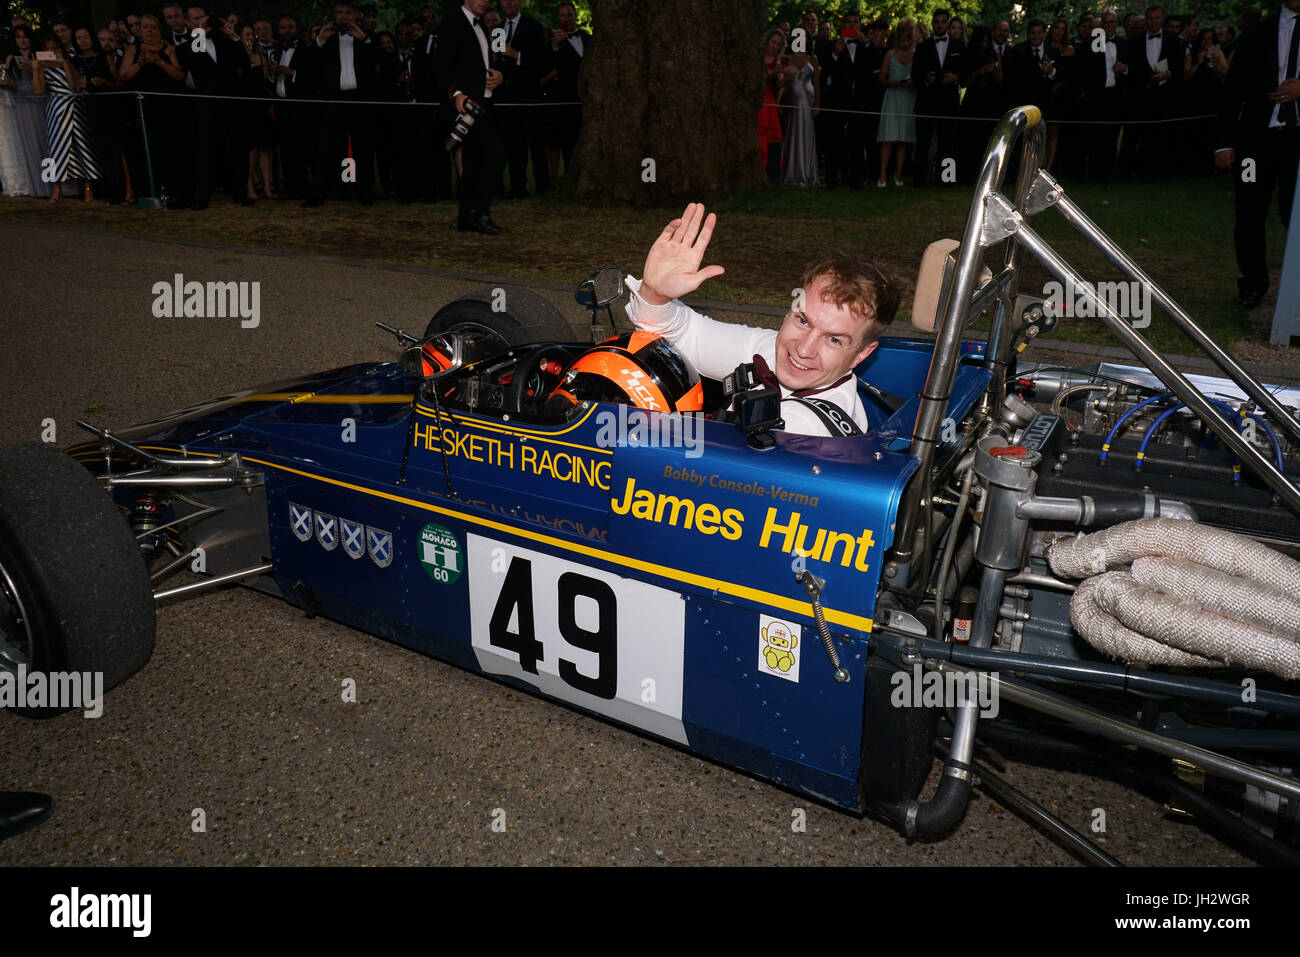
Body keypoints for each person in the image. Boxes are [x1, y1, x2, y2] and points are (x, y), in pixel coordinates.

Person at [624, 203, 900, 437]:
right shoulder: (771, 349)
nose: (803, 349)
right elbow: (686, 335)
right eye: (803, 321)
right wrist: (656, 294)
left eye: (834, 339)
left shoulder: (808, 427)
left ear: (862, 354)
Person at [1216, 0, 1300, 309]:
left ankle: (1295, 290)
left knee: (1294, 212)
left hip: (1297, 142)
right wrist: (1224, 143)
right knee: (1249, 210)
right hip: (1255, 143)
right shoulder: (1257, 33)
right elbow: (1233, 88)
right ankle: (1252, 283)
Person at [437, 0, 506, 233]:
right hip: (468, 105)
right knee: (492, 157)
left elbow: (482, 65)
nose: (484, 1)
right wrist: (456, 94)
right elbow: (441, 66)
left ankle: (468, 217)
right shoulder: (452, 23)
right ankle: (478, 213)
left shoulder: (483, 26)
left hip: (484, 103)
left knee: (476, 162)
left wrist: (498, 76)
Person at [32, 35, 101, 204]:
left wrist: (64, 63)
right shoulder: (41, 66)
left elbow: (74, 85)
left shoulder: (70, 62)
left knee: (82, 145)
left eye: (54, 48)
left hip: (75, 105)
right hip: (56, 108)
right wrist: (35, 69)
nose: (51, 52)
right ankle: (56, 188)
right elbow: (38, 90)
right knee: (55, 147)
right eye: (48, 49)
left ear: (60, 48)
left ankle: (88, 187)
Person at [6, 24, 51, 197]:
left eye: (25, 36)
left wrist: (33, 69)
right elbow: (10, 82)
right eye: (18, 37)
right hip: (22, 104)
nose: (22, 40)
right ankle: (40, 187)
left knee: (47, 144)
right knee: (30, 145)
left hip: (41, 101)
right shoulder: (12, 58)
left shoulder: (39, 55)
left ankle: (54, 184)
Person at [877, 19, 917, 187]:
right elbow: (881, 79)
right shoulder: (890, 54)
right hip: (892, 97)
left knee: (903, 138)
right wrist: (894, 83)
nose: (905, 43)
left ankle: (899, 175)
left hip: (909, 97)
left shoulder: (916, 54)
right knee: (888, 138)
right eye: (903, 40)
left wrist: (911, 82)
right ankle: (882, 174)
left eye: (908, 40)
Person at [782, 28, 820, 186]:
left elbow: (817, 82)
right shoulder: (787, 57)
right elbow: (782, 82)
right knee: (792, 134)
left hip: (807, 100)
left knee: (806, 134)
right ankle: (792, 173)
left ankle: (807, 173)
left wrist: (818, 104)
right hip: (792, 101)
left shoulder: (812, 58)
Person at [758, 28, 788, 180]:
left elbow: (781, 84)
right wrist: (769, 73)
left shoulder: (778, 61)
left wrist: (788, 75)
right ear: (767, 41)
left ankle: (771, 172)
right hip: (757, 99)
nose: (775, 46)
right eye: (773, 42)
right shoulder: (757, 58)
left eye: (778, 44)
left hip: (770, 101)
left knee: (771, 136)